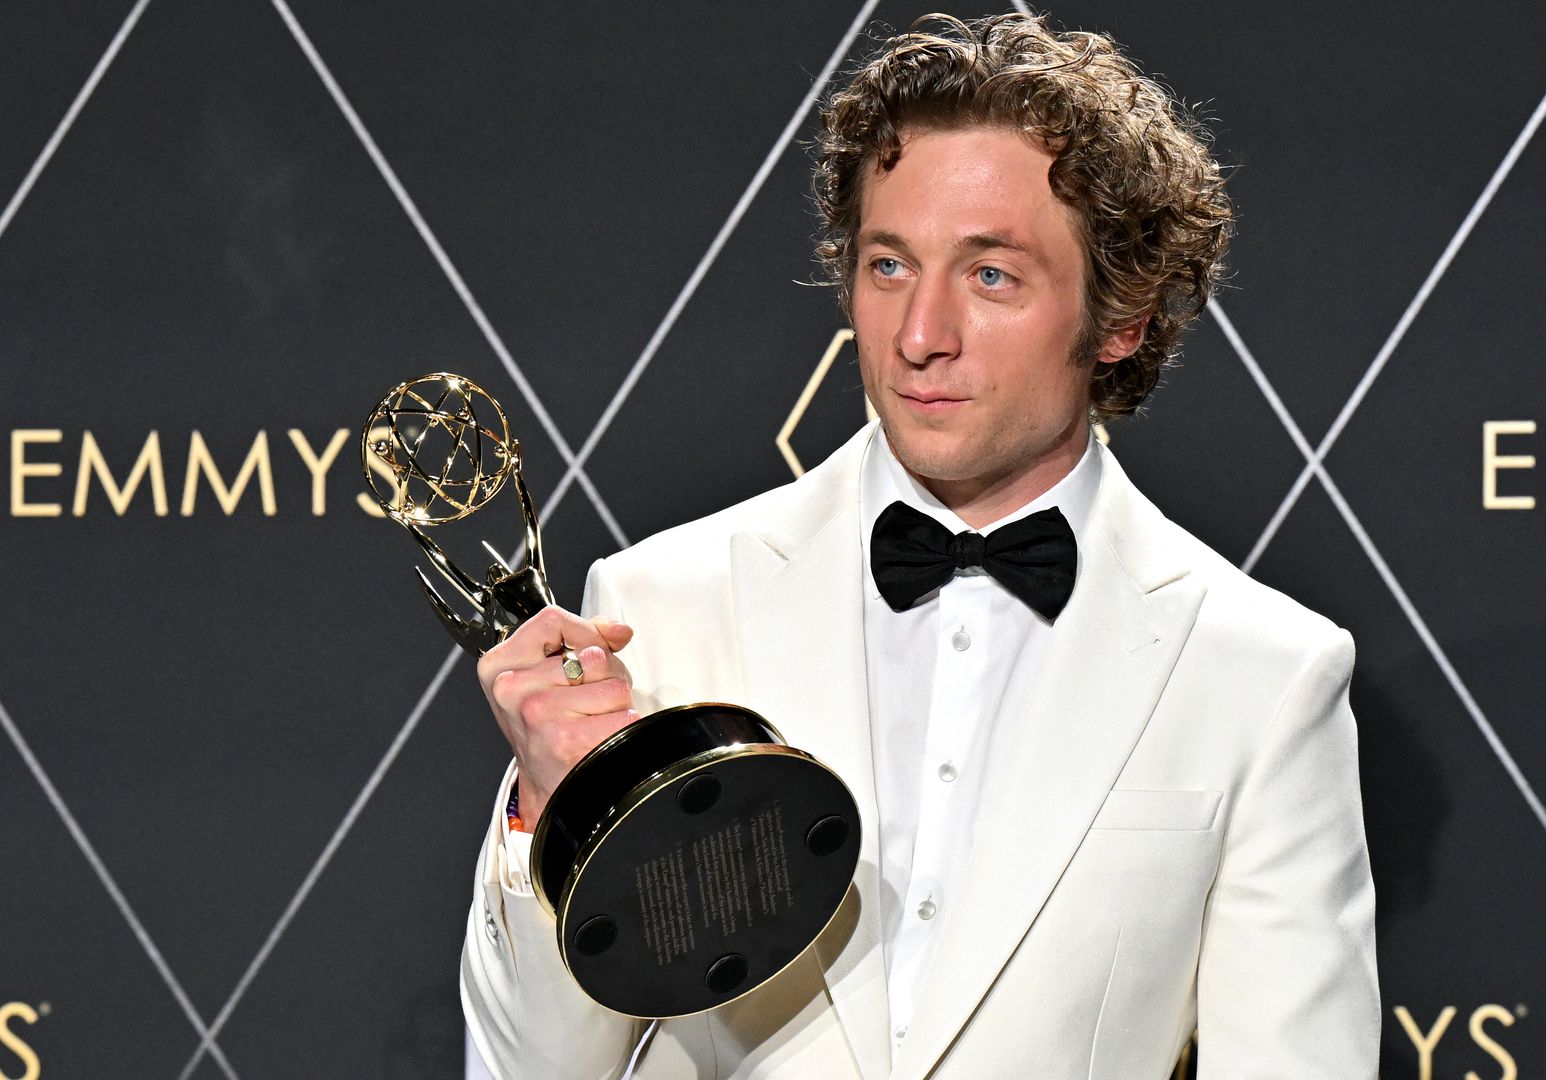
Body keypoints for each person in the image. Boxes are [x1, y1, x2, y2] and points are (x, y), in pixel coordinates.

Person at [460, 12, 1377, 1079]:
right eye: (890, 265)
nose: (918, 334)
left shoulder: (1261, 674)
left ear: (1119, 317)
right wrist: (544, 820)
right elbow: (530, 1071)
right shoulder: (664, 602)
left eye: (991, 276)